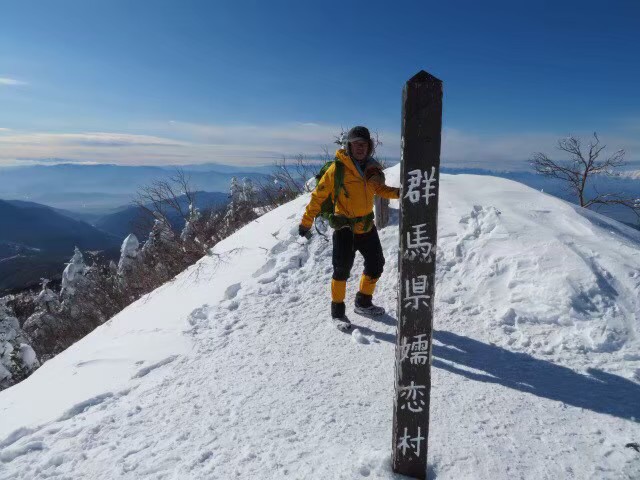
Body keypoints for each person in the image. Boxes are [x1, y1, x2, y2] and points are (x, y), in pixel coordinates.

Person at [298, 126, 400, 331]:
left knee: (376, 264)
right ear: (349, 146)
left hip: (366, 226)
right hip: (344, 227)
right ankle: (337, 313)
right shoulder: (338, 169)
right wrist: (306, 222)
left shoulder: (372, 168)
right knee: (341, 270)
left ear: (369, 146)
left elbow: (379, 190)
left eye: (364, 144)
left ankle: (363, 302)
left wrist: (401, 193)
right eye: (356, 144)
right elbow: (319, 196)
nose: (360, 147)